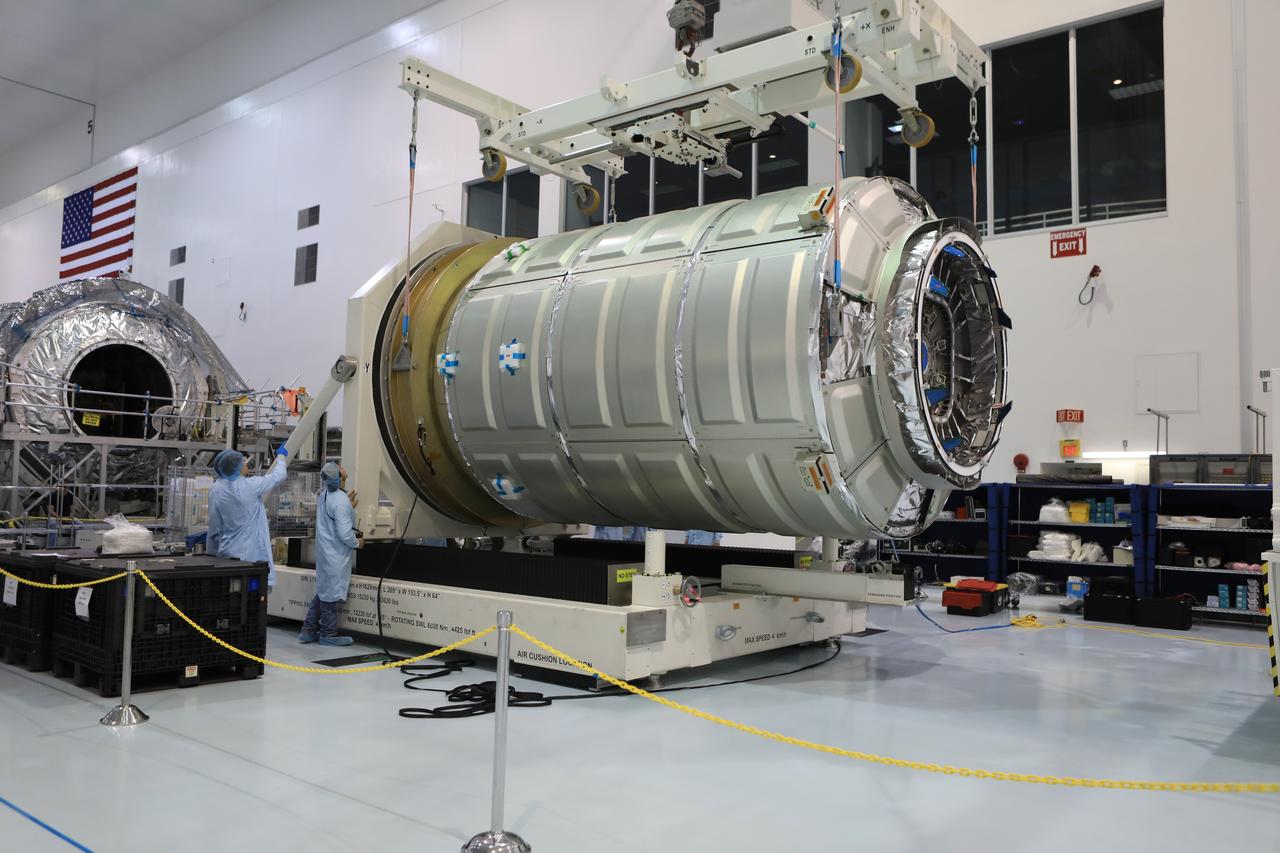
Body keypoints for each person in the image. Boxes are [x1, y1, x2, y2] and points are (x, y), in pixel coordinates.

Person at [207, 446, 289, 587]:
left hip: (226, 553)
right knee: (253, 594)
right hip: (252, 557)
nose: (246, 465)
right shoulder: (251, 486)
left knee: (230, 593)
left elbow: (214, 526)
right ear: (237, 468)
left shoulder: (216, 489)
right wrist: (281, 457)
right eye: (243, 462)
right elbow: (279, 476)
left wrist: (211, 553)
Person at [299, 462, 360, 646]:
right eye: (341, 472)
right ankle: (328, 634)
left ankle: (308, 630)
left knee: (324, 591)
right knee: (329, 595)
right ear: (339, 478)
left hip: (326, 552)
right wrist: (358, 542)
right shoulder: (340, 501)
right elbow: (345, 533)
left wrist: (347, 505)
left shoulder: (325, 494)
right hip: (335, 554)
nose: (343, 469)